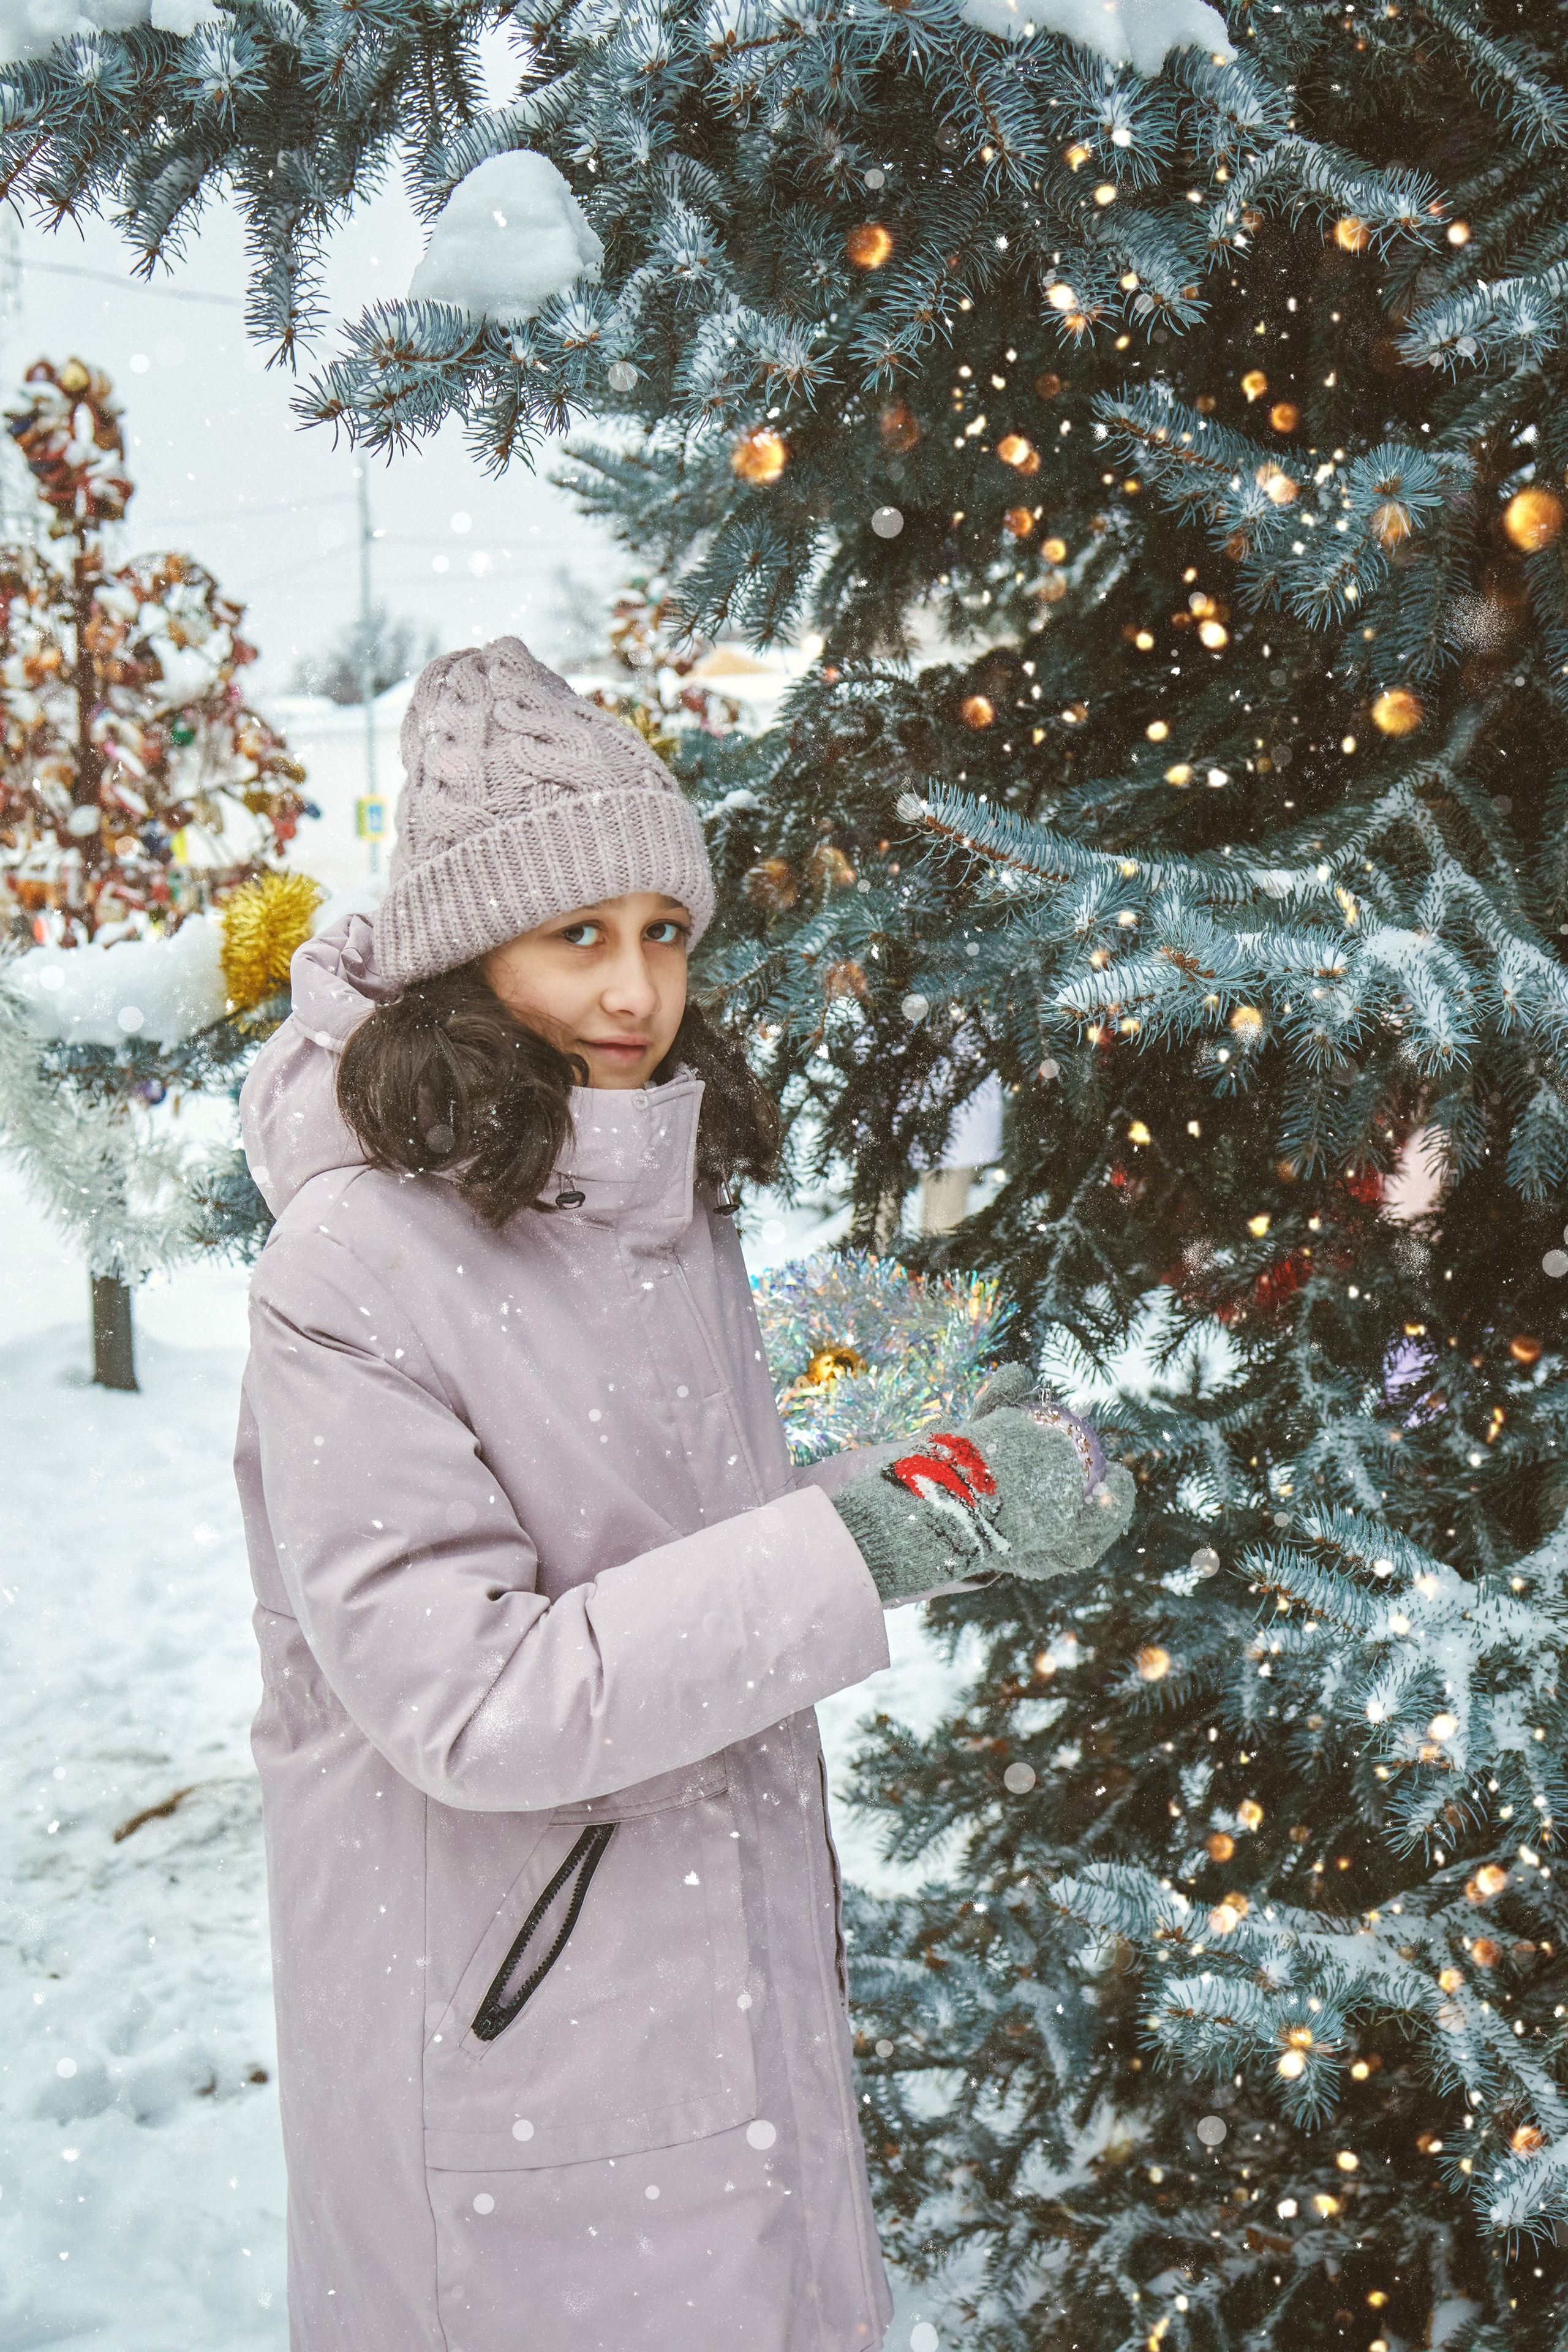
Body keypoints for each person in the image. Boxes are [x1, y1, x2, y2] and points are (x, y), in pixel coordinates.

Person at [233, 638, 1133, 2352]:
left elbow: (677, 1554)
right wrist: (874, 1543)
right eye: (578, 937)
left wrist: (932, 1493)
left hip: (713, 1998)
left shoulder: (650, 1186)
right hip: (512, 2038)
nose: (635, 990)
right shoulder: (349, 1264)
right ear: (462, 958)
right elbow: (475, 1695)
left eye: (663, 932)